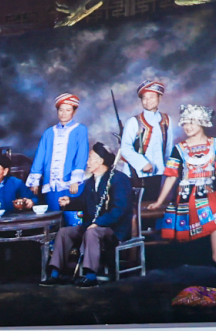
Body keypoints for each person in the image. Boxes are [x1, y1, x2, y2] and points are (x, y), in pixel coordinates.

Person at [147, 104, 216, 267]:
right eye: (185, 123)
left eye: (191, 122)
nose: (187, 127)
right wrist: (159, 201)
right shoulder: (179, 148)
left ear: (202, 122)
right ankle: (209, 255)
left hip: (208, 191)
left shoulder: (215, 143)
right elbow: (171, 177)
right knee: (210, 208)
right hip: (186, 194)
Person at [44, 142, 132, 285]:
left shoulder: (119, 179)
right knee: (64, 232)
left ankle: (90, 275)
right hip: (91, 225)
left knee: (92, 232)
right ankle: (55, 273)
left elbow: (120, 210)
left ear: (100, 161)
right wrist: (69, 202)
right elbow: (83, 202)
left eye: (90, 158)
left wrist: (98, 223)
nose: (87, 162)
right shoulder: (91, 181)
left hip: (114, 229)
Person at [27, 93, 89, 222]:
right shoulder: (49, 132)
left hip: (70, 183)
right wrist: (35, 179)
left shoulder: (80, 130)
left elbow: (82, 154)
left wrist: (75, 180)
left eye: (68, 110)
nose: (63, 113)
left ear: (74, 112)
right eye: (61, 110)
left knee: (73, 218)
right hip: (51, 183)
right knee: (53, 218)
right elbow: (40, 155)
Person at [117, 80, 175, 203]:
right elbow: (125, 148)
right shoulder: (133, 122)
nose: (147, 101)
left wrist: (170, 170)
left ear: (159, 97)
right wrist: (142, 163)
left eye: (151, 97)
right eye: (144, 98)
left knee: (152, 206)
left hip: (158, 173)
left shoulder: (166, 120)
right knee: (135, 208)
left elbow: (168, 148)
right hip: (136, 174)